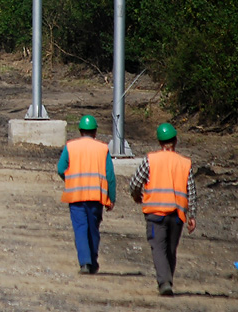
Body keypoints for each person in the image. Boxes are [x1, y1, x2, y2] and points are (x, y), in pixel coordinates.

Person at [129, 122, 197, 296]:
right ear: (175, 141)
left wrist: (137, 195)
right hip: (177, 215)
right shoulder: (184, 163)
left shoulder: (151, 160)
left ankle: (164, 282)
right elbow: (191, 191)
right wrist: (192, 216)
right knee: (171, 249)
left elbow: (135, 183)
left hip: (155, 213)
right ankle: (167, 280)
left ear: (159, 142)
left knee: (158, 248)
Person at [57, 115, 116, 275]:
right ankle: (93, 260)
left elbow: (61, 168)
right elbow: (110, 175)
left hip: (76, 195)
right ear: (95, 132)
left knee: (80, 228)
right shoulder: (103, 148)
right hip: (96, 196)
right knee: (93, 229)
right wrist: (111, 197)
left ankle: (85, 262)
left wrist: (69, 179)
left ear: (80, 131)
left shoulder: (71, 146)